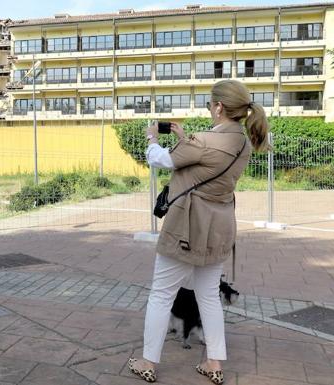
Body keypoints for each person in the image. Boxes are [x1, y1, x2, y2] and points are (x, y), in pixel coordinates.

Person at [127, 79, 269, 384]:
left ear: (218, 107)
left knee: (161, 294)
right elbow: (202, 162)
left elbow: (160, 160)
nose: (209, 108)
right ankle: (214, 363)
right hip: (219, 226)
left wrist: (152, 137)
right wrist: (183, 137)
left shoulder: (203, 140)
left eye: (210, 103)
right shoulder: (243, 143)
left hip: (187, 225)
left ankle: (147, 362)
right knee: (208, 296)